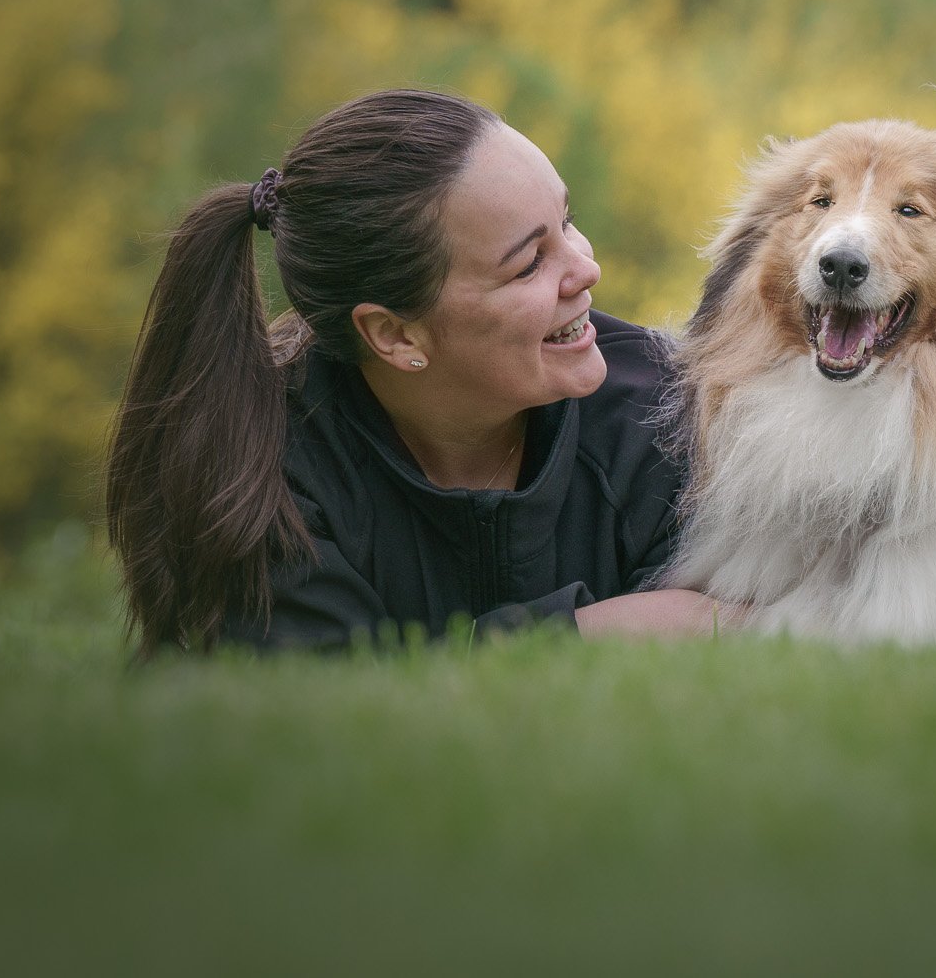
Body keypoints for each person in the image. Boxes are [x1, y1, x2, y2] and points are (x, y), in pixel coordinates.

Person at [106, 89, 735, 654]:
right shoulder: (256, 465)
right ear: (394, 334)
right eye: (528, 265)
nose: (585, 269)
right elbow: (322, 718)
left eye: (566, 222)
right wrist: (572, 637)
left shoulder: (671, 414)